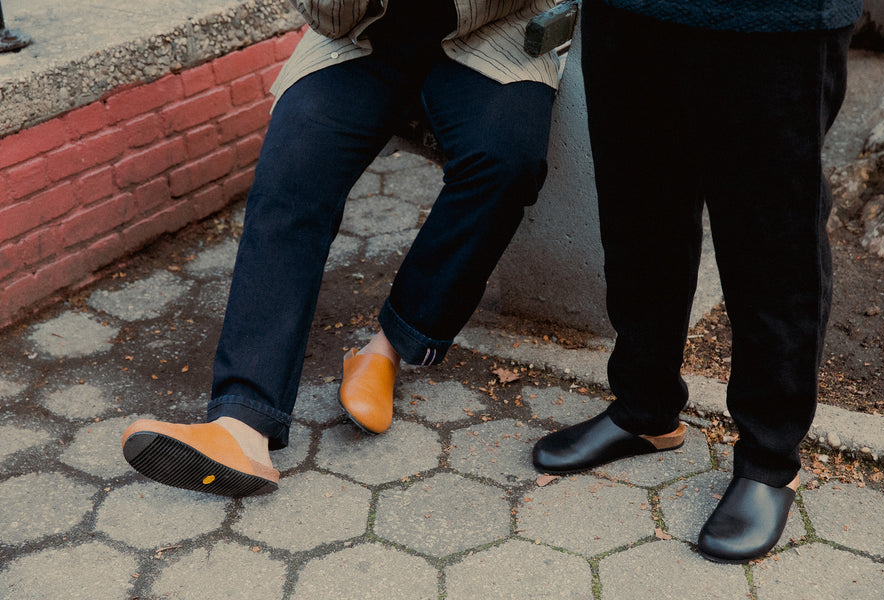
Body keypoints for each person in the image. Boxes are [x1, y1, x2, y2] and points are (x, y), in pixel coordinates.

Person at [121, 0, 559, 499]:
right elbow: (326, 14)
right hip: (361, 36)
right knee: (291, 175)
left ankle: (390, 347)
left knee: (506, 162)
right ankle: (241, 424)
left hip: (492, 38)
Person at [531, 0, 863, 564]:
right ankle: (644, 408)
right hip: (631, 10)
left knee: (772, 241)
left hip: (770, 22)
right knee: (637, 213)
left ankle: (769, 460)